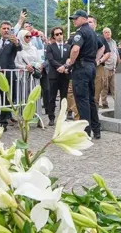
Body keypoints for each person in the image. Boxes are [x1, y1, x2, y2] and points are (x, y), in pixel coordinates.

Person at [58, 10, 101, 139]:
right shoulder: (93, 33)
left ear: (83, 18)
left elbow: (75, 49)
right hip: (91, 66)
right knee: (90, 100)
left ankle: (85, 132)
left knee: (82, 100)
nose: (74, 20)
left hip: (81, 68)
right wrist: (96, 60)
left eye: (76, 18)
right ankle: (96, 129)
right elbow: (101, 47)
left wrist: (70, 63)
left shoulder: (81, 32)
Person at [43, 26, 71, 126]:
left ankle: (62, 117)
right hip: (53, 75)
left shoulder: (68, 47)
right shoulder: (50, 46)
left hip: (64, 76)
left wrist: (64, 67)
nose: (59, 36)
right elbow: (50, 59)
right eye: (57, 34)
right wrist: (61, 67)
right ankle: (51, 117)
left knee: (64, 98)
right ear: (54, 36)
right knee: (52, 97)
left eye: (60, 34)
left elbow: (70, 59)